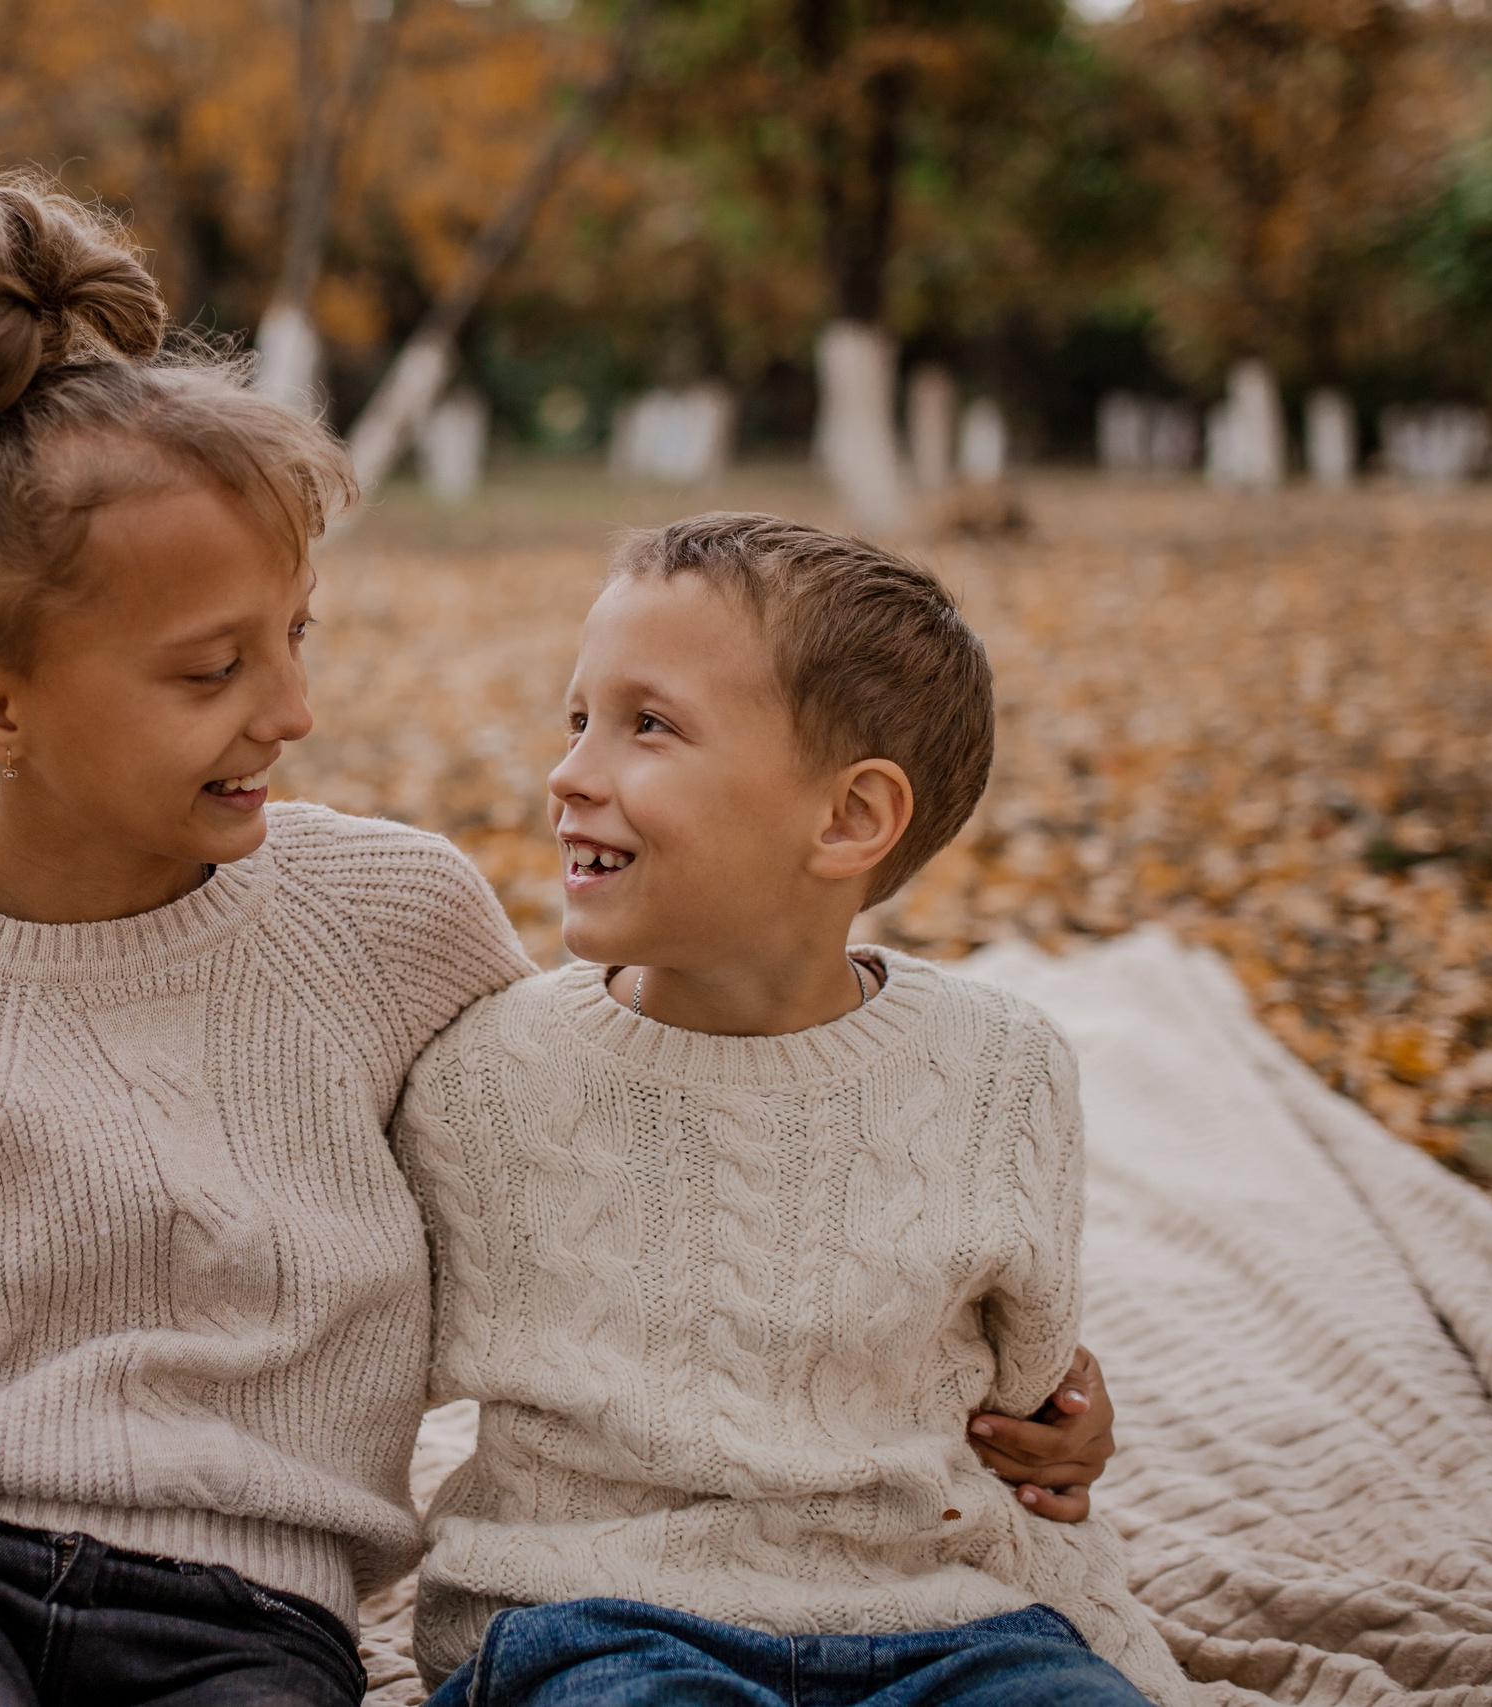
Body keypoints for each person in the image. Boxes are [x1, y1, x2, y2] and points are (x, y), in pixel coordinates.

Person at [0, 176, 1119, 1707]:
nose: (292, 710)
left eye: (293, 636)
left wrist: (1003, 1390)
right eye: (211, 668)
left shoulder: (393, 920)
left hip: (248, 1616)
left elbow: (630, 1142)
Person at [392, 514, 1192, 1707]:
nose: (568, 774)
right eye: (578, 720)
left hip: (946, 1623)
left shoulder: (1001, 1070)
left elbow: (1026, 1388)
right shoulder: (484, 1079)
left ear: (849, 818)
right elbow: (355, 1348)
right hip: (598, 1620)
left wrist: (1069, 1424)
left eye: (647, 726)